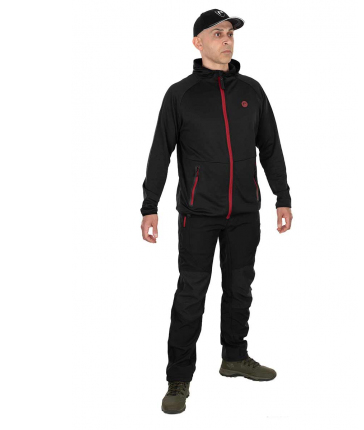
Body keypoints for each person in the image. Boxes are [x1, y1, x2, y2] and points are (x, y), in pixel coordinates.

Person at [140, 9, 293, 414]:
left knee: (240, 287)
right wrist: (150, 205)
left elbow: (270, 147)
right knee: (191, 294)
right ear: (198, 43)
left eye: (230, 34)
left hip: (244, 211)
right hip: (198, 214)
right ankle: (178, 379)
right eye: (217, 33)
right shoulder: (181, 94)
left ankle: (234, 357)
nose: (227, 39)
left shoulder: (252, 91)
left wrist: (282, 197)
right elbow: (160, 151)